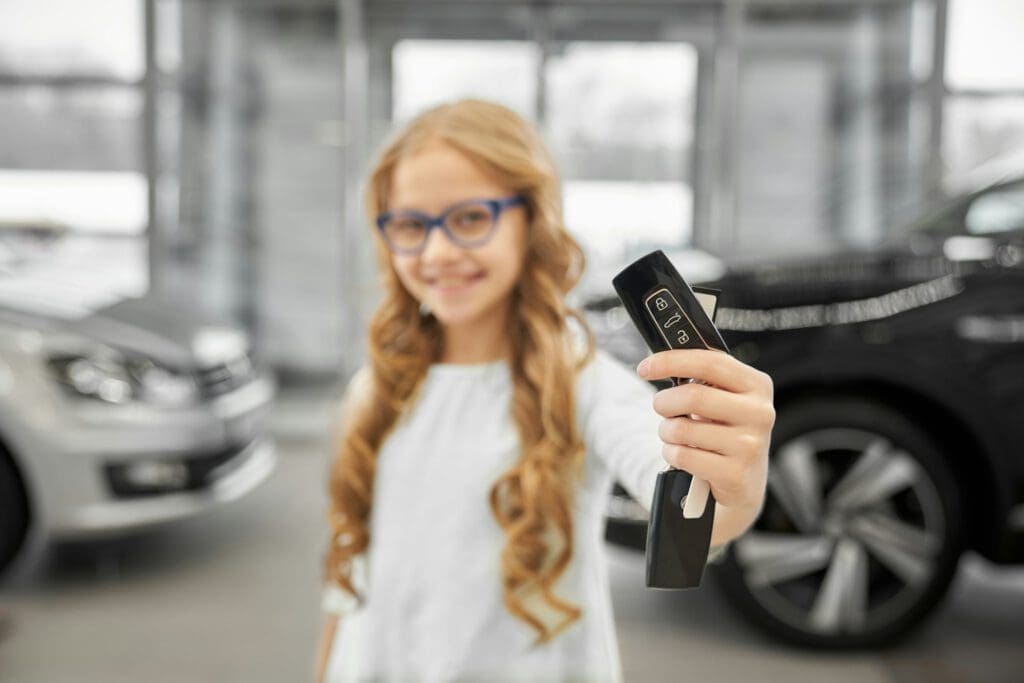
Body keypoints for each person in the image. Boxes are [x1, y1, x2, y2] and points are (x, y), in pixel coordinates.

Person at [317, 99, 774, 683]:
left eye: (470, 218)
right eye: (410, 225)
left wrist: (736, 477)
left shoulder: (583, 382)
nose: (437, 252)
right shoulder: (378, 384)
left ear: (530, 220)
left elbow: (700, 505)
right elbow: (346, 573)